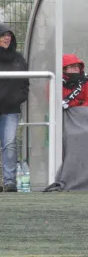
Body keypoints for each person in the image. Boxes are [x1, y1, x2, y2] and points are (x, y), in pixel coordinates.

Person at [0, 24, 29, 192]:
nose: (7, 38)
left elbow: (26, 82)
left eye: (9, 35)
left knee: (9, 143)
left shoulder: (18, 59)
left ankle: (10, 182)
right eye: (3, 35)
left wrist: (20, 97)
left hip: (11, 109)